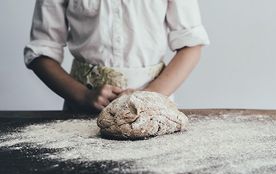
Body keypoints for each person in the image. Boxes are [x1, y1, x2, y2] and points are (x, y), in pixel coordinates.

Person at [24, 0, 210, 113]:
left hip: (155, 107)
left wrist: (150, 97)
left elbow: (191, 45)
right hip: (82, 110)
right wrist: (83, 96)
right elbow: (41, 51)